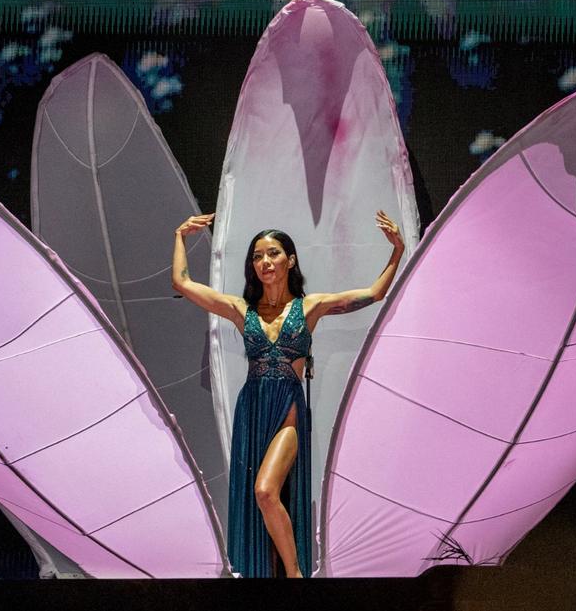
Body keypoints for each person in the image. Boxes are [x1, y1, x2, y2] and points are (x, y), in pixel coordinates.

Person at [172, 210, 405, 578]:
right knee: (262, 498)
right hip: (253, 407)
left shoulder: (308, 308)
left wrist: (398, 250)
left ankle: (296, 576)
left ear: (290, 259)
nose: (265, 261)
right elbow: (183, 283)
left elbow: (374, 294)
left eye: (273, 253)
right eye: (258, 256)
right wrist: (180, 237)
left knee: (265, 491)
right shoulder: (241, 309)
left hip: (289, 410)